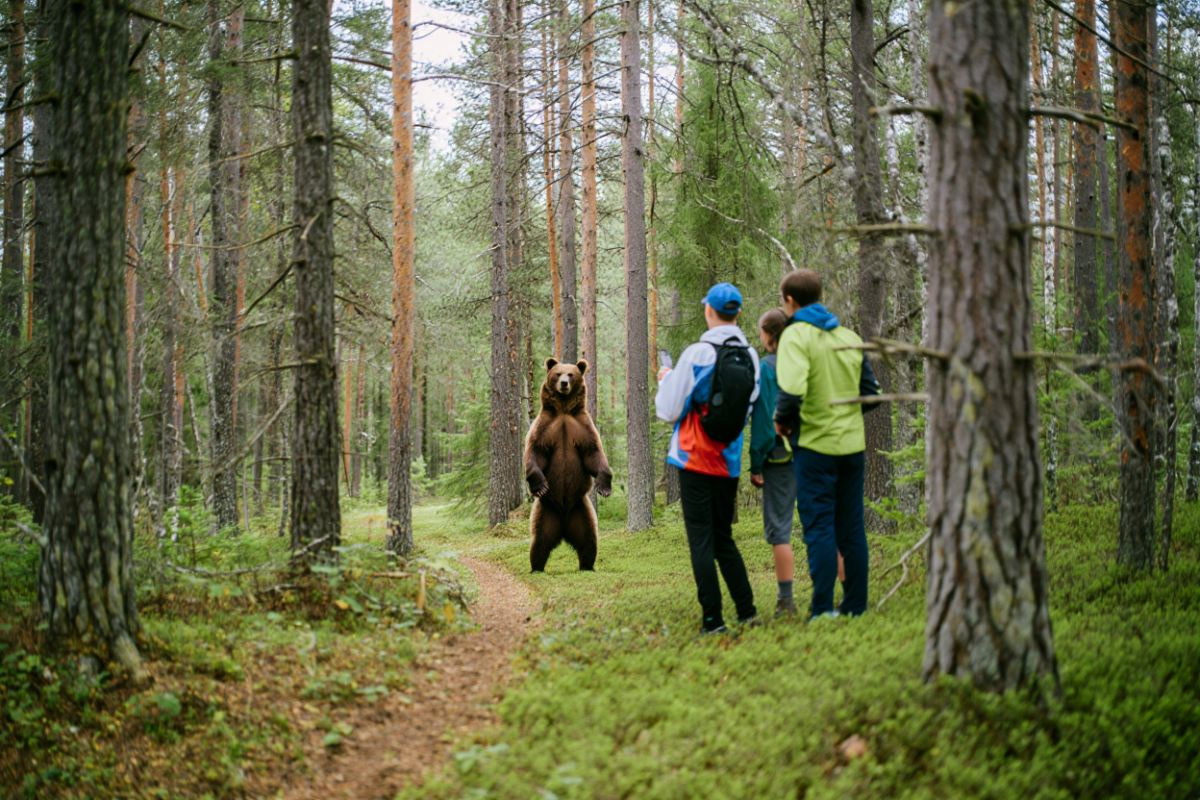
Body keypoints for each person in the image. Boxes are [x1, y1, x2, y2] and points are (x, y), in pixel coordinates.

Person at [773, 270, 880, 619]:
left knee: (819, 528)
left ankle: (821, 609)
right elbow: (872, 395)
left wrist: (784, 425)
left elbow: (790, 394)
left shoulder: (795, 336)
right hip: (852, 448)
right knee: (851, 528)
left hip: (815, 447)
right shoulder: (848, 335)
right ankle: (855, 606)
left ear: (790, 301)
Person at [655, 282, 760, 634]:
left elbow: (669, 410)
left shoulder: (698, 354)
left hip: (694, 459)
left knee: (701, 540)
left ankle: (713, 620)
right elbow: (746, 409)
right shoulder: (751, 357)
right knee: (722, 538)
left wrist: (666, 379)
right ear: (738, 312)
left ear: (708, 310)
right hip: (728, 461)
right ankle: (746, 611)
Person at [748, 309, 799, 616]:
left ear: (768, 334)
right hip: (815, 452)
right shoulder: (806, 361)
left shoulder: (767, 368)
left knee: (780, 531)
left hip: (779, 458)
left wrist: (755, 465)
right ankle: (842, 597)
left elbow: (765, 423)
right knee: (822, 525)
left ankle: (786, 601)